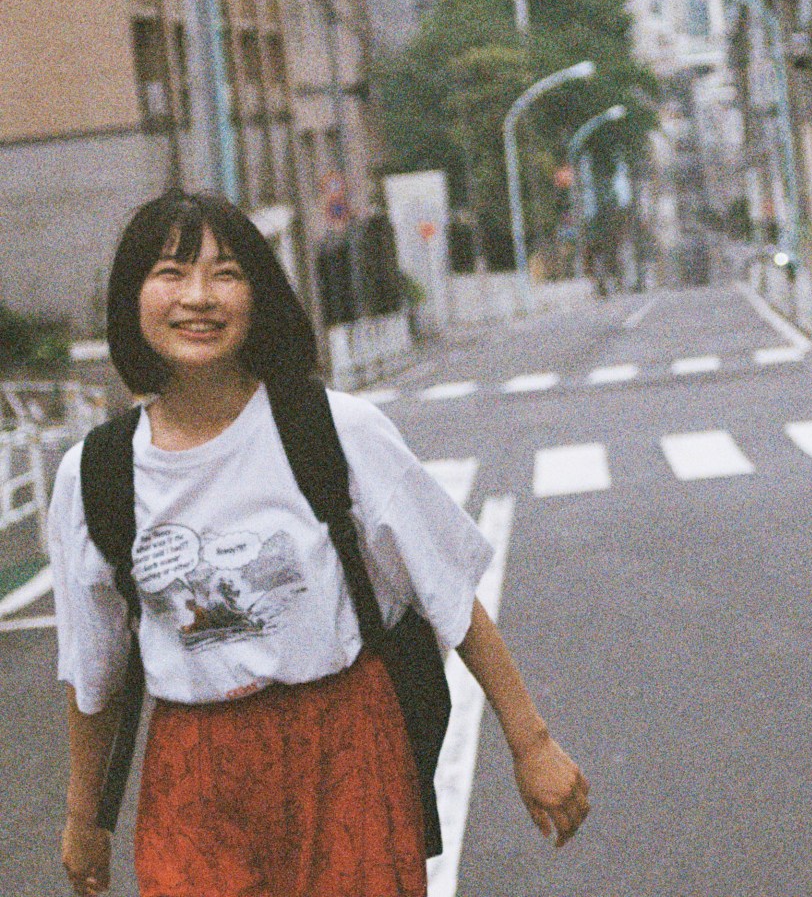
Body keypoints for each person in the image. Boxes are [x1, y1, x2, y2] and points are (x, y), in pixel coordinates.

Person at [55, 190, 590, 896]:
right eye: (171, 274)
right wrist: (83, 816)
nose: (199, 297)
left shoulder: (335, 430)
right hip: (193, 778)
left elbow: (450, 596)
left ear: (258, 295)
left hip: (342, 749)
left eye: (225, 273)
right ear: (133, 297)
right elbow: (95, 672)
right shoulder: (96, 474)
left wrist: (532, 743)